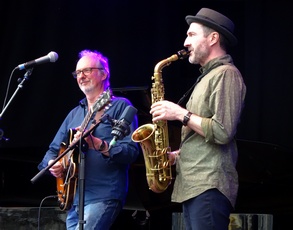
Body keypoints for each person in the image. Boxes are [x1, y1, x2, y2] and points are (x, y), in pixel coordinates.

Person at [150, 8, 246, 230]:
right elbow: (203, 137)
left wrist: (179, 113)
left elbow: (222, 131)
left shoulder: (226, 74)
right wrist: (176, 156)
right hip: (195, 185)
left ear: (213, 38)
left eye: (191, 35)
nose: (185, 42)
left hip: (209, 185)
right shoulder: (207, 77)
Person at [38, 49, 140, 230]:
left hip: (104, 194)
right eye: (77, 73)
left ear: (104, 74)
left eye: (87, 70)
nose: (81, 76)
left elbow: (131, 152)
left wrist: (99, 144)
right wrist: (54, 163)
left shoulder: (119, 106)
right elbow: (51, 151)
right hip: (74, 198)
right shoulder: (75, 113)